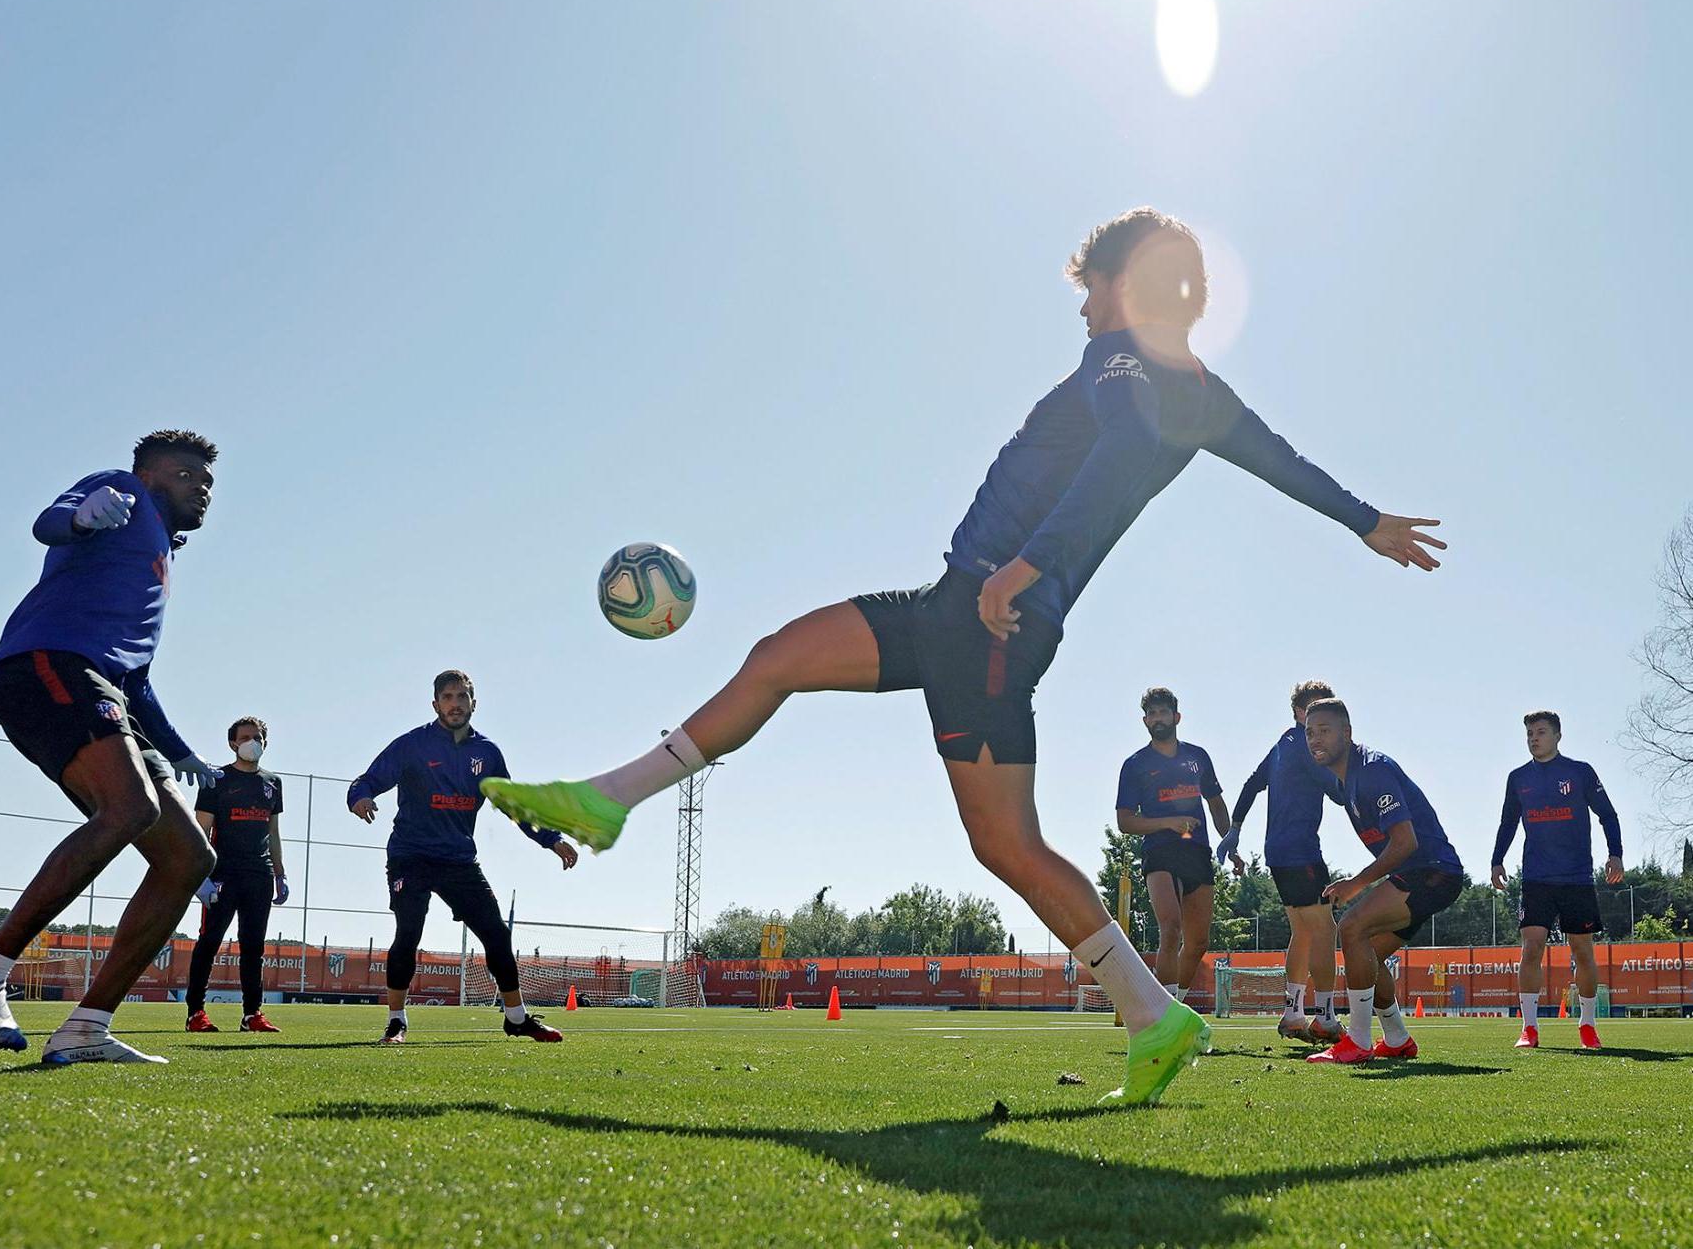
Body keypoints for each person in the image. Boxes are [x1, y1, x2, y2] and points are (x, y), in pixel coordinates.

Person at [485, 208, 1445, 1107]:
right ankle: (610, 796)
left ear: (1122, 281)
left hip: (992, 616)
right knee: (786, 663)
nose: (1081, 305)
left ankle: (1153, 1013)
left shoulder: (1119, 360)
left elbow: (1119, 457)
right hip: (967, 605)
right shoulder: (1199, 386)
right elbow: (1277, 456)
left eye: (1088, 285)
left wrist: (1028, 565)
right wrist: (1364, 521)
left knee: (1006, 842)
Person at [0, 430, 223, 1065]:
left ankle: (87, 1027)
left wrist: (180, 753)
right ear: (149, 476)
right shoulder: (121, 494)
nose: (199, 488)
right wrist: (81, 517)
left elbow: (135, 678)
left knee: (188, 859)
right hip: (46, 664)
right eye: (185, 475)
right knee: (129, 808)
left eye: (206, 482)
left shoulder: (160, 558)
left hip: (103, 688)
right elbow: (49, 522)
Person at [348, 670, 577, 1045]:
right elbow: (367, 780)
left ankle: (516, 1019)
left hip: (459, 861)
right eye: (448, 697)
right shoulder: (412, 745)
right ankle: (396, 1021)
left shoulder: (487, 753)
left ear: (474, 703)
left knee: (497, 935)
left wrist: (551, 838)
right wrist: (360, 798)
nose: (456, 704)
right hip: (411, 856)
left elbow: (513, 805)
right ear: (435, 704)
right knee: (409, 932)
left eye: (462, 697)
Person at [1302, 698, 1464, 1065]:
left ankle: (1357, 1041)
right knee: (1367, 955)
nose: (1316, 739)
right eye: (1310, 732)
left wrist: (1357, 883)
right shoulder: (1346, 784)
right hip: (1419, 873)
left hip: (1432, 872)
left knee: (1352, 928)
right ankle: (1397, 1038)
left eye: (1325, 730)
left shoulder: (1372, 771)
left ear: (1347, 733)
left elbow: (1406, 842)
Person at [1217, 680, 1345, 1043]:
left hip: (1277, 852)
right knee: (1324, 929)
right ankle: (1325, 1017)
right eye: (1313, 710)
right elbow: (1337, 792)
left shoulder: (1281, 745)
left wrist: (1236, 829)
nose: (1319, 721)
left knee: (1302, 931)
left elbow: (1251, 784)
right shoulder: (1304, 746)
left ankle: (1292, 1013)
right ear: (1298, 714)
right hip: (1301, 850)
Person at [1490, 710, 1623, 1051]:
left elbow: (1607, 814)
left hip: (1577, 878)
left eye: (1541, 732)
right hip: (1536, 878)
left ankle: (1588, 1025)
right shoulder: (1518, 778)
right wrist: (1496, 860)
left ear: (1558, 736)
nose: (1534, 738)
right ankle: (1529, 1029)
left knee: (1582, 951)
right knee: (1531, 948)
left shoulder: (1579, 772)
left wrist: (1615, 853)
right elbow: (1508, 823)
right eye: (1530, 733)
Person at [1114, 687, 1229, 1004]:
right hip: (1160, 851)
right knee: (1171, 928)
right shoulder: (1135, 764)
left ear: (1176, 717)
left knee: (1198, 942)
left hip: (1198, 852)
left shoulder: (1197, 756)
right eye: (1152, 713)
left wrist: (1229, 841)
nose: (1158, 718)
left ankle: (1174, 1006)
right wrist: (1167, 823)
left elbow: (1217, 804)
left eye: (1163, 712)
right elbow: (1125, 822)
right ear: (1145, 721)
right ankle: (1162, 1015)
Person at [185, 716, 289, 1033]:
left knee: (254, 946)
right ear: (232, 743)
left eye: (257, 737)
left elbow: (273, 832)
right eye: (245, 737)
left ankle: (252, 1015)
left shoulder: (273, 782)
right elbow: (200, 831)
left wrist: (280, 874)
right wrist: (198, 875)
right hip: (222, 875)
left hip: (259, 875)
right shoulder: (217, 779)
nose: (252, 742)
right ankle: (195, 1014)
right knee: (210, 941)